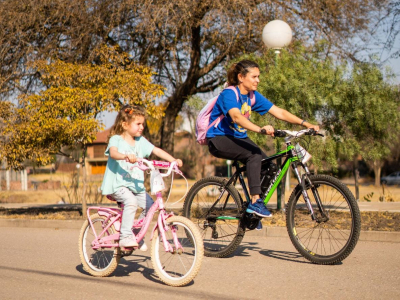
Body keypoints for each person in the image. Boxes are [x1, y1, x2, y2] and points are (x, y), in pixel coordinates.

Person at [206, 59, 319, 218]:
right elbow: (237, 117)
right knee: (254, 155)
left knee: (270, 168)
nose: (258, 80)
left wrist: (305, 124)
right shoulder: (229, 94)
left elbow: (279, 112)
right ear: (241, 77)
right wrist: (260, 129)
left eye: (258, 76)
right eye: (254, 77)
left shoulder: (252, 96)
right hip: (218, 138)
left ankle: (253, 212)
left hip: (238, 138)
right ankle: (255, 202)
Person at [101, 105, 183, 248]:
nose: (141, 127)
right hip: (118, 185)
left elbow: (156, 150)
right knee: (131, 201)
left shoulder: (141, 141)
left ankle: (135, 233)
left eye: (143, 124)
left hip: (135, 186)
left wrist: (173, 161)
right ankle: (125, 237)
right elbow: (113, 153)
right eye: (138, 124)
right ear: (125, 124)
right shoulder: (116, 139)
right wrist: (125, 156)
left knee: (150, 206)